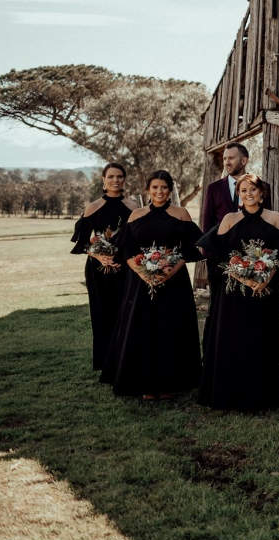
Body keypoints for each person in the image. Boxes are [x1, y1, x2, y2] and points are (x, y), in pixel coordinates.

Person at [102, 170, 202, 399]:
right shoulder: (136, 215)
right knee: (143, 329)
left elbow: (189, 250)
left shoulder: (181, 214)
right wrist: (143, 273)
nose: (159, 192)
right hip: (139, 284)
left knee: (170, 329)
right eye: (155, 187)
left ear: (170, 190)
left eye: (164, 188)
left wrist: (168, 273)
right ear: (148, 189)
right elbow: (126, 249)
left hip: (174, 282)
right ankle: (144, 383)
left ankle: (171, 383)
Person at [197, 174, 279, 411]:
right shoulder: (229, 218)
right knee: (234, 341)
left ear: (262, 193)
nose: (248, 194)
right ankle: (232, 394)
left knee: (262, 340)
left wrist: (265, 278)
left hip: (266, 292)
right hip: (234, 292)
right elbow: (217, 253)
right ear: (238, 194)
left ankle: (262, 397)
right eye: (243, 190)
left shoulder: (275, 218)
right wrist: (244, 278)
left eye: (253, 189)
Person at [199, 142, 272, 381]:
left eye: (231, 158)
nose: (227, 162)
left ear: (244, 160)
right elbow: (207, 226)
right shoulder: (214, 189)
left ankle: (247, 363)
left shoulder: (263, 188)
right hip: (220, 264)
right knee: (217, 311)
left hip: (252, 265)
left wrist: (254, 262)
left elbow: (264, 227)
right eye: (224, 158)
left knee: (247, 313)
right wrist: (217, 260)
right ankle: (211, 361)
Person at [69, 162, 138, 371]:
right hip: (98, 271)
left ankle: (123, 361)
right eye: (111, 176)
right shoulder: (93, 207)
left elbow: (137, 239)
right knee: (101, 315)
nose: (115, 180)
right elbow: (81, 244)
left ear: (124, 180)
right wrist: (99, 256)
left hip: (127, 269)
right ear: (103, 180)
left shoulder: (134, 207)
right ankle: (104, 362)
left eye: (119, 177)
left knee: (125, 314)